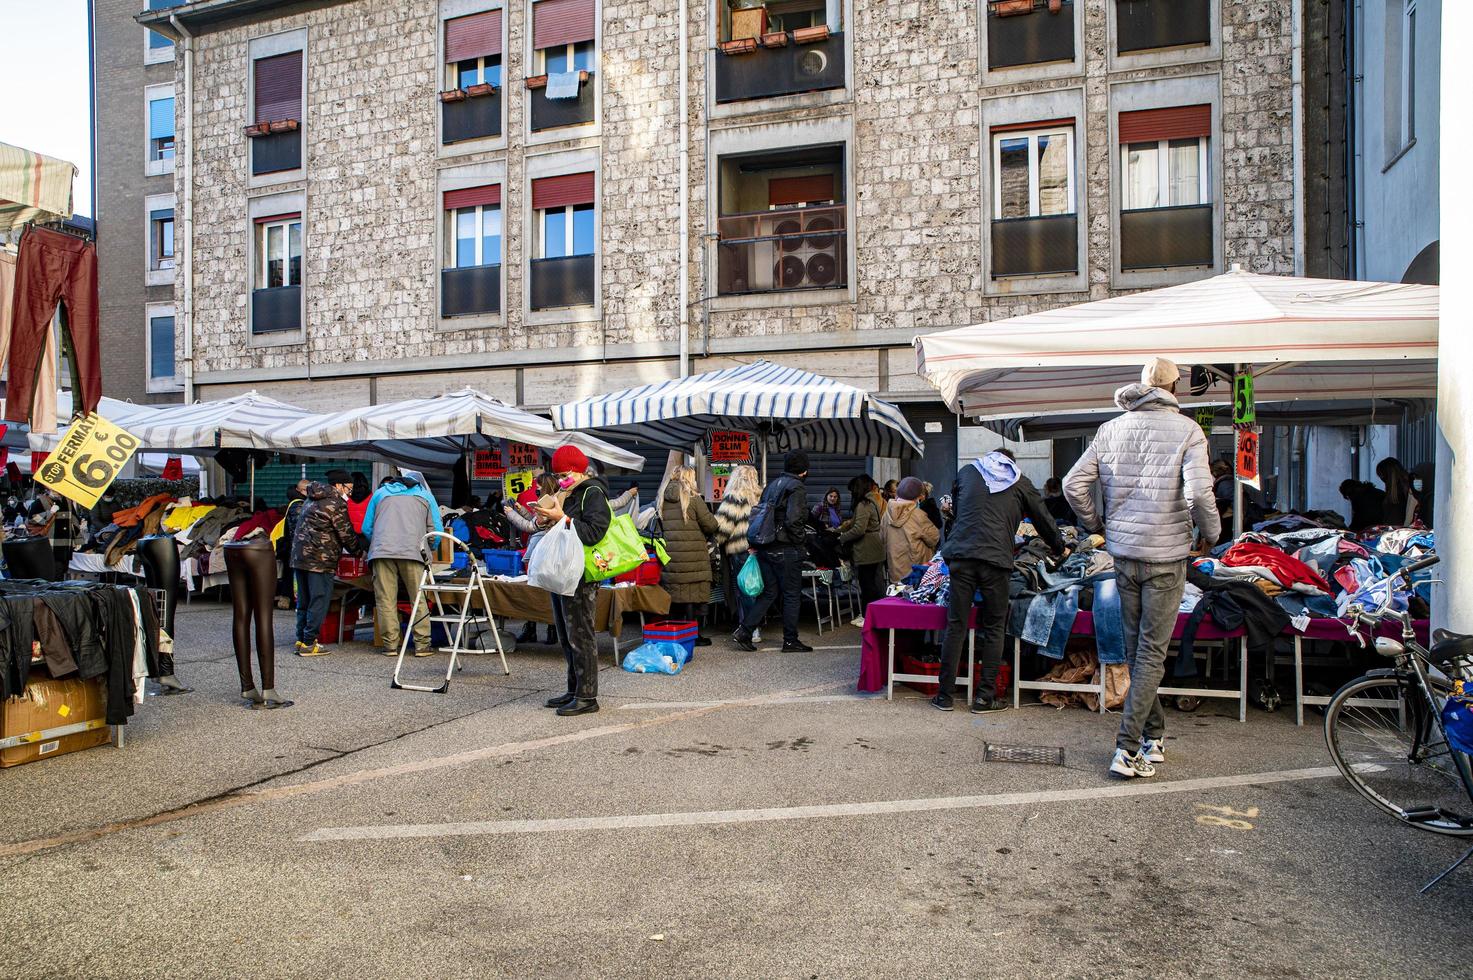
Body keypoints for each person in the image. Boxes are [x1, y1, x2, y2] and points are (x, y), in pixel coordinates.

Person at [1064, 357, 1219, 779]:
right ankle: (1127, 748)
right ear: (1175, 388)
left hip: (1124, 555)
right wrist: (1211, 531)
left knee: (1137, 652)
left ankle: (1154, 735)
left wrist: (1097, 524)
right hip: (1166, 556)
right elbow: (1201, 492)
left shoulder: (1110, 429)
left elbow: (1072, 485)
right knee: (1150, 653)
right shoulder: (1187, 430)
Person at [934, 450, 1064, 714]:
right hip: (995, 560)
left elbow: (958, 512)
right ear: (1011, 464)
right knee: (994, 627)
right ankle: (984, 698)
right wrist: (1060, 547)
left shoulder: (968, 472)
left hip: (961, 556)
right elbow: (1042, 518)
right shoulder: (1019, 481)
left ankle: (944, 696)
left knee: (956, 624)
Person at [534, 445, 611, 716]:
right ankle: (573, 690)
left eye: (565, 473)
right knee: (567, 635)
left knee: (582, 634)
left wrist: (562, 518)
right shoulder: (566, 493)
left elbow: (594, 532)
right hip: (564, 572)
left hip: (581, 575)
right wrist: (547, 519)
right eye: (558, 474)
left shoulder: (593, 493)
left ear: (579, 470)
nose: (560, 478)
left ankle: (587, 697)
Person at [733, 451, 812, 653]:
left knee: (769, 592)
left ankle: (744, 630)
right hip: (786, 549)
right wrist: (801, 542)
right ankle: (790, 641)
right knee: (792, 595)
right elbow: (794, 520)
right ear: (803, 470)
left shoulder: (772, 485)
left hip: (766, 546)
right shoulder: (797, 487)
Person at [363, 474, 443, 658]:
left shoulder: (380, 493)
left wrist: (379, 543)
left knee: (385, 599)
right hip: (414, 552)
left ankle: (390, 646)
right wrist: (430, 550)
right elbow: (436, 531)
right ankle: (422, 646)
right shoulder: (425, 496)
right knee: (418, 598)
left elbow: (367, 528)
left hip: (382, 552)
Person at [289, 470, 362, 657]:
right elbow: (345, 533)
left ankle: (301, 639)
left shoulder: (312, 498)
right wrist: (359, 550)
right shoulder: (335, 502)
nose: (350, 493)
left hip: (299, 557)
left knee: (304, 600)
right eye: (349, 489)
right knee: (319, 599)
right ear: (339, 486)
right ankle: (309, 643)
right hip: (320, 560)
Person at [659, 465, 720, 646]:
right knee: (693, 598)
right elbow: (711, 525)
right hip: (694, 560)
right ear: (689, 478)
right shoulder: (693, 499)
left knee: (676, 596)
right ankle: (694, 636)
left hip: (671, 557)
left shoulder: (662, 499)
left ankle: (675, 634)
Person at [505, 473, 561, 646]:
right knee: (545, 592)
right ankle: (541, 630)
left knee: (538, 592)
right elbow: (536, 521)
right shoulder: (552, 501)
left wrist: (510, 514)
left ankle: (541, 630)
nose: (535, 489)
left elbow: (531, 526)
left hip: (542, 555)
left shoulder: (549, 503)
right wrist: (520, 509)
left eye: (538, 486)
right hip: (547, 554)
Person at [714, 464, 763, 643]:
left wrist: (713, 542)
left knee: (744, 590)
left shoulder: (734, 497)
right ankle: (755, 626)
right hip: (760, 549)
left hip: (740, 550)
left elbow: (722, 527)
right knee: (757, 588)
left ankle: (749, 628)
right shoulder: (761, 497)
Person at [839, 474, 886, 625]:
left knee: (867, 584)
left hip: (867, 549)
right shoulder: (873, 501)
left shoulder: (864, 504)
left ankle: (868, 616)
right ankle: (871, 615)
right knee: (872, 583)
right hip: (873, 548)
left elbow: (859, 529)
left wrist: (842, 537)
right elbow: (855, 523)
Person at [882, 476, 939, 585]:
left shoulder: (886, 514)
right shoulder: (918, 515)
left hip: (895, 571)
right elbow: (934, 538)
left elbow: (882, 538)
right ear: (917, 496)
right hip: (916, 574)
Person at [1377, 457, 1418, 526]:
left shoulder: (1396, 494)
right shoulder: (1409, 487)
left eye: (1381, 476)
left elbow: (1394, 520)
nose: (1381, 479)